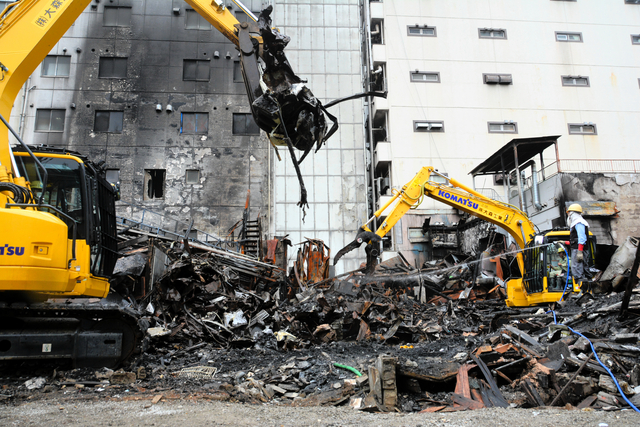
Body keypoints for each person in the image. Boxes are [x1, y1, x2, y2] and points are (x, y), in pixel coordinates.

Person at [566, 203, 589, 282]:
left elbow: (582, 238)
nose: (568, 215)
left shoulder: (578, 222)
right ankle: (585, 287)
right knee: (582, 269)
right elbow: (575, 240)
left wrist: (579, 251)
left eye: (569, 213)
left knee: (577, 269)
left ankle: (582, 287)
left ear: (572, 213)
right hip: (578, 248)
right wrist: (565, 242)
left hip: (578, 249)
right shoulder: (577, 223)